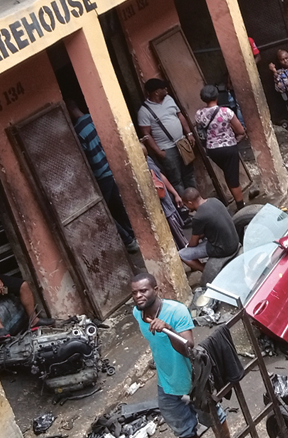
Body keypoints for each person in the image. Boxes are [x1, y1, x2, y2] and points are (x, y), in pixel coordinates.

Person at [130, 273, 227, 438]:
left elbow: (188, 348)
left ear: (156, 290)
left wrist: (169, 330)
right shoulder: (137, 313)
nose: (138, 296)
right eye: (134, 293)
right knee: (183, 430)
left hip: (192, 380)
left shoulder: (177, 312)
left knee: (213, 417)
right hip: (166, 382)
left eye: (143, 291)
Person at [69, 102, 140, 252]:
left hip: (101, 175)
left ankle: (128, 240)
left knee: (103, 211)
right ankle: (134, 236)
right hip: (111, 169)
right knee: (119, 206)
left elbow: (83, 157)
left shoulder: (78, 131)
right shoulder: (94, 118)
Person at [138, 78, 195, 194]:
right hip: (167, 149)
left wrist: (188, 133)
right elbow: (146, 133)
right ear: (156, 92)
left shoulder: (169, 99)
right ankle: (186, 207)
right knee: (176, 179)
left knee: (189, 173)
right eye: (163, 88)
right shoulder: (144, 111)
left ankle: (195, 199)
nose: (166, 89)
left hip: (182, 143)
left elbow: (180, 116)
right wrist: (159, 152)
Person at [196, 85, 247, 209]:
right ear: (217, 96)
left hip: (213, 150)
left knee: (227, 173)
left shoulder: (199, 114)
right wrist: (236, 140)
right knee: (233, 177)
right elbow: (240, 130)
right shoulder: (225, 112)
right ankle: (241, 206)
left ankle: (237, 200)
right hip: (229, 148)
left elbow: (201, 132)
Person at [177, 187, 240, 273]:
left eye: (186, 205)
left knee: (183, 254)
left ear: (190, 203)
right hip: (235, 240)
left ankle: (206, 271)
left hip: (224, 249)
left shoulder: (198, 217)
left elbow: (193, 243)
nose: (187, 208)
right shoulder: (214, 200)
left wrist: (188, 246)